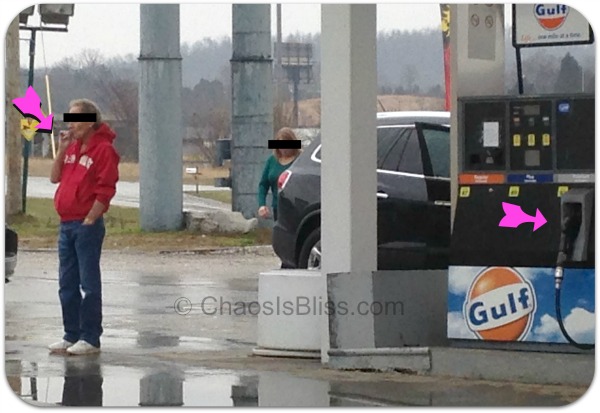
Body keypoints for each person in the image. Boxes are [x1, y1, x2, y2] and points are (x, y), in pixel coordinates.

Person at [48, 99, 120, 356]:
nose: (72, 125)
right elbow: (55, 177)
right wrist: (61, 150)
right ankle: (71, 334)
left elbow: (106, 188)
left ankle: (90, 337)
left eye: (76, 119)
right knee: (66, 283)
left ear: (90, 122)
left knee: (88, 284)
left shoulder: (103, 150)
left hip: (86, 225)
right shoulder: (72, 148)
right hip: (66, 224)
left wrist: (91, 218)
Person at [257, 127, 301, 222]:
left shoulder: (300, 160)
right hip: (278, 208)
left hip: (296, 209)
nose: (284, 149)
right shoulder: (272, 161)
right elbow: (263, 184)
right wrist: (262, 204)